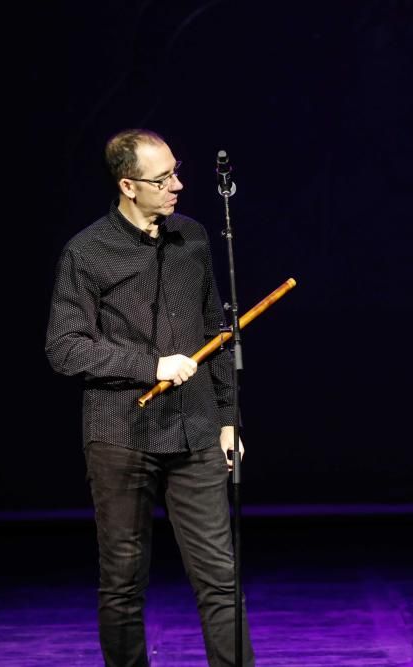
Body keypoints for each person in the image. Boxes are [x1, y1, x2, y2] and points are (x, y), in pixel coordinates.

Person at [46, 129, 254, 666]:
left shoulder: (194, 239)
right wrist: (148, 366)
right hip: (120, 435)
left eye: (176, 172)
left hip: (197, 431)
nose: (177, 185)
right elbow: (65, 349)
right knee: (122, 583)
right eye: (162, 179)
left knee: (221, 581)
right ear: (127, 185)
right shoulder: (86, 251)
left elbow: (217, 330)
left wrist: (229, 419)